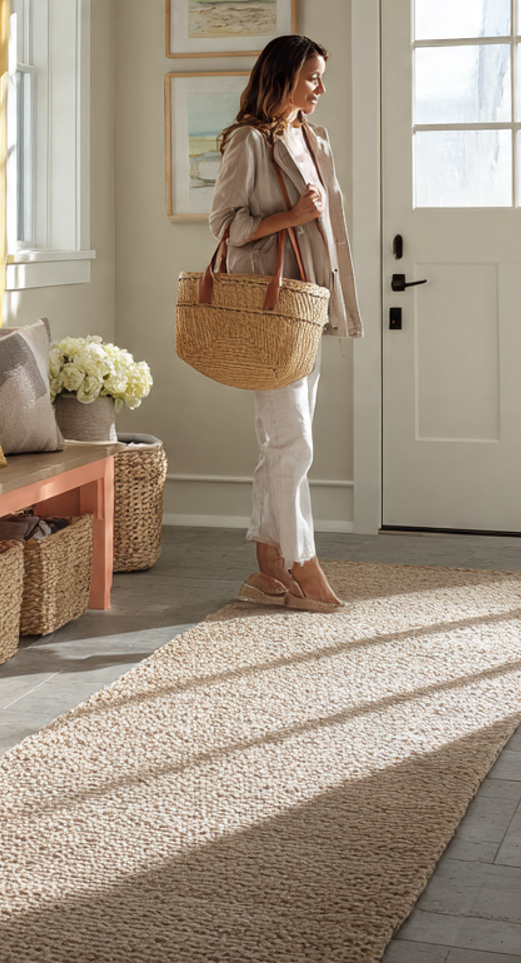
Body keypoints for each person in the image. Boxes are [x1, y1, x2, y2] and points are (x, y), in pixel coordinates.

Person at [207, 34, 362, 611]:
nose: (321, 88)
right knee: (292, 442)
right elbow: (225, 225)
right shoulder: (248, 141)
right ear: (283, 78)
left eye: (322, 77)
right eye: (312, 78)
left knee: (284, 442)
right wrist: (291, 216)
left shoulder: (313, 138)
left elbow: (330, 231)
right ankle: (302, 563)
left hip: (307, 305)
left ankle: (266, 566)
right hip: (267, 312)